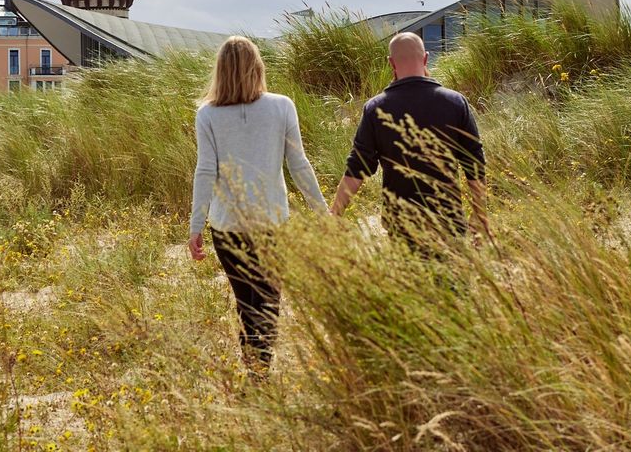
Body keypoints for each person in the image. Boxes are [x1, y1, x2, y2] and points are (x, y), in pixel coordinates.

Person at [189, 36, 328, 377]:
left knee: (245, 300)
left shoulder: (207, 114)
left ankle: (255, 368)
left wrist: (196, 226)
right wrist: (321, 212)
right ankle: (260, 369)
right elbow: (299, 164)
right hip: (271, 221)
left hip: (227, 224)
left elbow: (206, 170)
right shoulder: (281, 106)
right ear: (258, 67)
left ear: (220, 71)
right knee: (268, 298)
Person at [330, 32, 489, 249]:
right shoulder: (455, 102)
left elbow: (357, 168)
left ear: (391, 63)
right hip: (449, 222)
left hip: (402, 224)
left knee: (410, 282)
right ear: (425, 59)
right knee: (453, 282)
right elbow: (474, 164)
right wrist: (480, 217)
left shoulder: (376, 108)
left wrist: (334, 214)